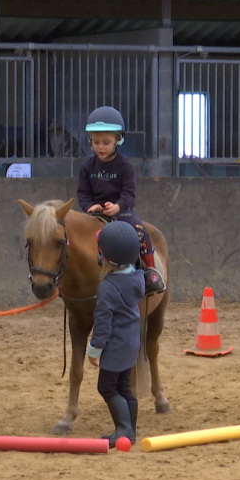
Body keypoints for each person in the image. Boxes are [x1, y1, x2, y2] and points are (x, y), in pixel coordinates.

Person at [76, 105, 165, 294]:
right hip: (94, 213)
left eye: (106, 142)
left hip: (121, 212)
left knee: (140, 230)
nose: (100, 146)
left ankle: (150, 271)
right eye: (96, 142)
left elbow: (129, 194)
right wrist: (90, 206)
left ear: (118, 140)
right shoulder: (87, 167)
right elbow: (83, 193)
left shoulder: (125, 167)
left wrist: (117, 207)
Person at [86, 221, 144, 447]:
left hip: (116, 347)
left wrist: (94, 350)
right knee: (124, 387)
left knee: (107, 387)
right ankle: (130, 429)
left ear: (106, 257)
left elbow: (103, 324)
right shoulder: (138, 277)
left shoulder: (107, 287)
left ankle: (123, 429)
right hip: (131, 343)